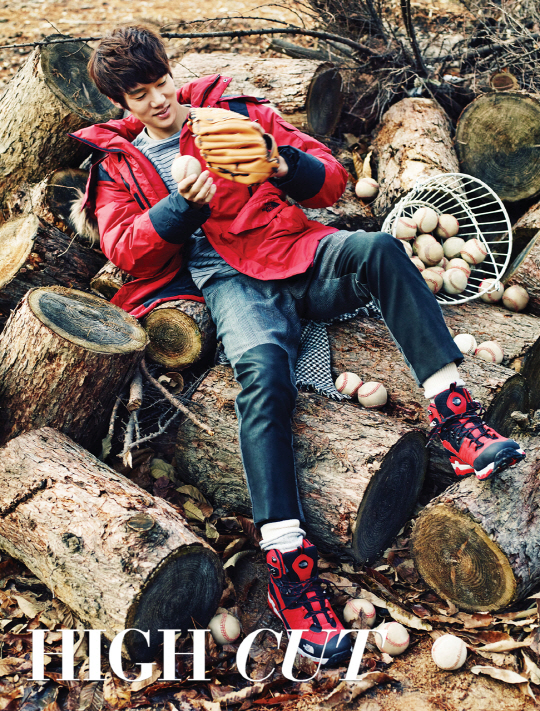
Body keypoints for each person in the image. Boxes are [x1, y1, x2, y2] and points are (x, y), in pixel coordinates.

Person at [72, 25, 526, 666]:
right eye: (139, 95)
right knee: (262, 375)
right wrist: (182, 207)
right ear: (121, 103)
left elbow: (333, 182)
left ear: (172, 72)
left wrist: (280, 162)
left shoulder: (233, 113)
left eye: (161, 83)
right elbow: (126, 249)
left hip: (296, 251)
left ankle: (456, 419)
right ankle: (289, 565)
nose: (157, 100)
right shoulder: (119, 163)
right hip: (230, 284)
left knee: (379, 249)